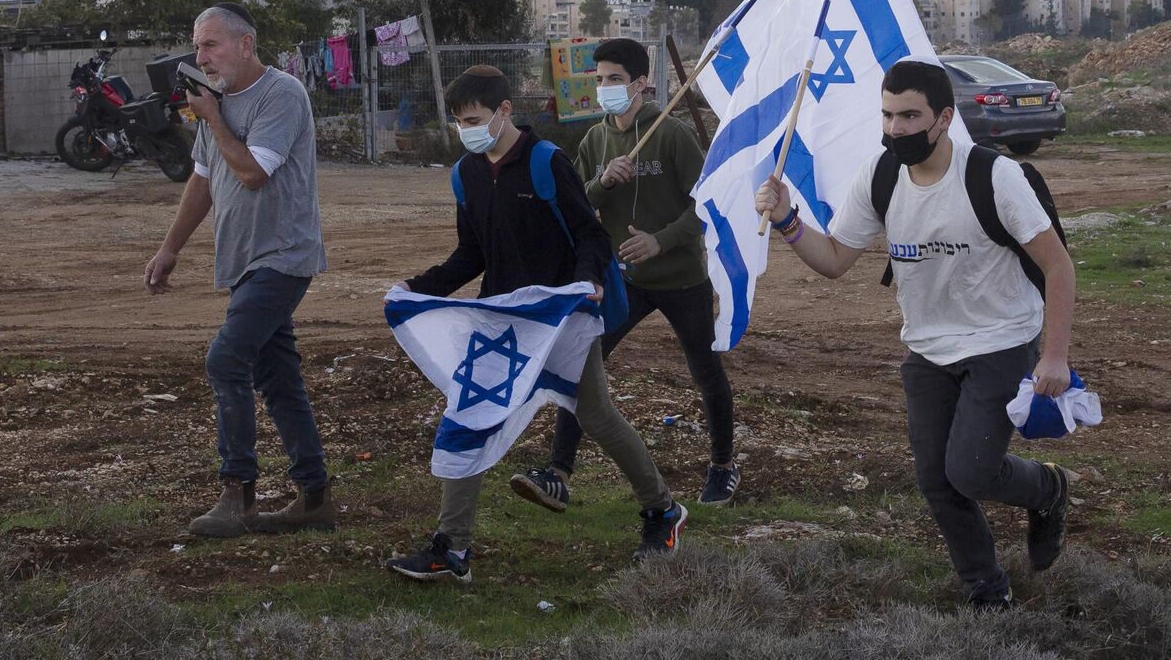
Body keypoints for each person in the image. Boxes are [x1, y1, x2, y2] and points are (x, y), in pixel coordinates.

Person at [753, 59, 1077, 608]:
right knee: (936, 479)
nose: (896, 128)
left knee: (970, 472)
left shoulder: (994, 176)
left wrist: (1054, 357)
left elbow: (1059, 267)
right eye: (887, 115)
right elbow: (834, 260)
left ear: (944, 117)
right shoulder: (879, 175)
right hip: (926, 349)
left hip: (1000, 341)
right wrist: (788, 221)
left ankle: (1048, 489)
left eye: (909, 115)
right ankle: (986, 589)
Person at [386, 65, 687, 583]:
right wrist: (417, 288)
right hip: (502, 323)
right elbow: (471, 254)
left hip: (560, 320)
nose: (467, 130)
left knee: (596, 417)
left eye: (474, 118)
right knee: (470, 415)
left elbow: (589, 234)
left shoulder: (547, 162)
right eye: (459, 122)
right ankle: (452, 549)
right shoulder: (466, 173)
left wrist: (589, 280)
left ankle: (663, 512)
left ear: (505, 112)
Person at [510, 38, 741, 512]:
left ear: (640, 83)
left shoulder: (671, 133)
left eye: (614, 79)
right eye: (599, 80)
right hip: (623, 281)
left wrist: (661, 240)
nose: (605, 88)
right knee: (582, 366)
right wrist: (601, 181)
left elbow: (709, 204)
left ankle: (722, 465)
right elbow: (571, 206)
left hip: (680, 279)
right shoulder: (595, 141)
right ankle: (558, 473)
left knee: (705, 371)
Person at [144, 2, 335, 538]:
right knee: (278, 378)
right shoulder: (218, 104)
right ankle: (315, 496)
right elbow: (201, 181)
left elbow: (251, 172)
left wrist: (213, 118)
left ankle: (238, 494)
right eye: (197, 46)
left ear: (245, 44)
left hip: (283, 255)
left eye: (211, 45)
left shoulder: (281, 95)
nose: (201, 57)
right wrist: (170, 249)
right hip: (244, 262)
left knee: (227, 359)